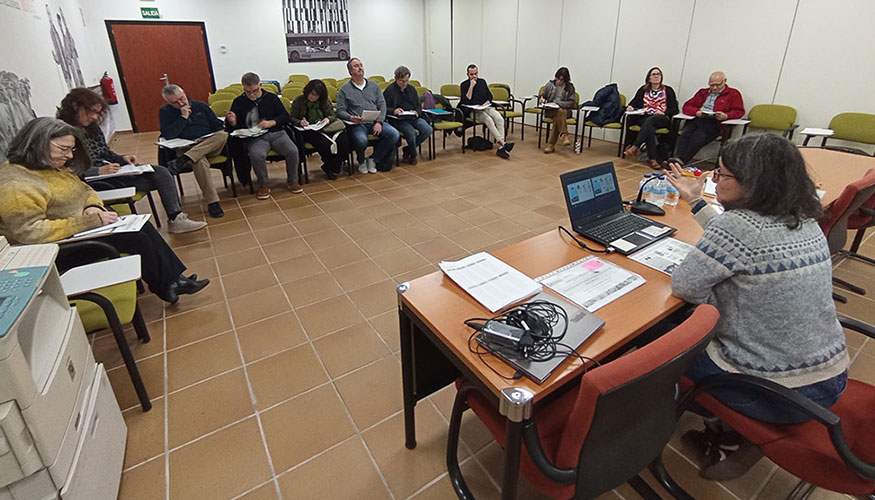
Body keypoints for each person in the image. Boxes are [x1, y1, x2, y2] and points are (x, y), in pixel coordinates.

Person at [664, 134, 848, 480]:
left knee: (662, 341)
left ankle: (724, 431)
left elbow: (685, 286)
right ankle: (735, 428)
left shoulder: (738, 227)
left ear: (752, 182)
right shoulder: (805, 217)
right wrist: (696, 201)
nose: (714, 180)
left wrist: (715, 304)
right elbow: (742, 241)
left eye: (721, 174)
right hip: (829, 378)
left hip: (774, 394)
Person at [0, 117, 209, 304]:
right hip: (57, 248)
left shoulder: (50, 167)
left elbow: (84, 189)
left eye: (71, 150)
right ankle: (168, 284)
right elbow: (30, 233)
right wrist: (89, 222)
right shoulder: (16, 184)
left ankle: (174, 280)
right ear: (37, 143)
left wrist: (92, 206)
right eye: (63, 149)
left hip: (79, 230)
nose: (69, 155)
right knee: (136, 238)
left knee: (140, 225)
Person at [56, 89, 206, 234]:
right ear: (76, 107)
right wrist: (98, 171)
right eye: (92, 112)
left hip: (111, 172)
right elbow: (68, 171)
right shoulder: (62, 135)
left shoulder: (91, 128)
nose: (95, 117)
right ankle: (174, 218)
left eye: (97, 113)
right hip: (94, 181)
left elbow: (105, 152)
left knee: (161, 172)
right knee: (159, 178)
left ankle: (176, 218)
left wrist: (122, 158)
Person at [225, 72, 301, 200]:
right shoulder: (239, 101)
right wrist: (232, 121)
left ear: (260, 85)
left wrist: (272, 122)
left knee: (292, 150)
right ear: (243, 88)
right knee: (256, 155)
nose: (252, 94)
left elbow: (285, 116)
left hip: (277, 133)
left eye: (255, 90)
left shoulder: (271, 98)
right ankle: (264, 185)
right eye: (248, 92)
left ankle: (293, 180)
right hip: (255, 137)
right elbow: (232, 128)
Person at [159, 84, 230, 218]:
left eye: (182, 98)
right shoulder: (165, 112)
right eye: (175, 102)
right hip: (186, 146)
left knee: (222, 135)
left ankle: (185, 159)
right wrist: (183, 118)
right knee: (199, 161)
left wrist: (229, 121)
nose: (181, 103)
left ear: (185, 93)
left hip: (208, 144)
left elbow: (217, 126)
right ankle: (213, 203)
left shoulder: (201, 106)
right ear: (168, 102)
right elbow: (168, 135)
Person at [335, 58, 400, 173]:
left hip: (375, 121)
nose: (360, 68)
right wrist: (351, 118)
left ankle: (373, 159)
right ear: (350, 71)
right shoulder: (344, 89)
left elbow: (382, 106)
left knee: (394, 134)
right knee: (361, 140)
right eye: (356, 66)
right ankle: (361, 161)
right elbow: (340, 111)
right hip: (358, 124)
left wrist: (379, 122)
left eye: (361, 65)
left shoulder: (373, 86)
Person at [674, 71, 744, 163]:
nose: (714, 88)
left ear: (725, 81)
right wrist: (697, 112)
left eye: (717, 85)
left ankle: (681, 160)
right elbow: (687, 106)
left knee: (698, 137)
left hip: (715, 123)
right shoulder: (702, 92)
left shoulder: (733, 93)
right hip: (699, 118)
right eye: (711, 85)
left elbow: (739, 111)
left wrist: (726, 116)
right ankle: (677, 158)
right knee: (685, 133)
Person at [289, 79, 350, 180]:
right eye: (312, 94)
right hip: (309, 130)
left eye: (317, 95)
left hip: (326, 127)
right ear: (307, 91)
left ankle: (332, 166)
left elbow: (332, 115)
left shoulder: (324, 100)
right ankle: (330, 167)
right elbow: (292, 118)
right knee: (326, 144)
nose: (313, 97)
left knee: (344, 141)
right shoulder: (299, 100)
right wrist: (300, 122)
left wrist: (328, 119)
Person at [624, 67, 679, 168]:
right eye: (654, 74)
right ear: (649, 78)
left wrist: (664, 112)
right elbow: (634, 102)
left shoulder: (668, 90)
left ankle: (635, 146)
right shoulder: (643, 90)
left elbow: (674, 109)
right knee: (649, 127)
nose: (657, 76)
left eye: (659, 74)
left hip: (661, 118)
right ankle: (653, 159)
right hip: (645, 117)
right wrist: (631, 107)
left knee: (650, 121)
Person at [459, 64, 514, 159]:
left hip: (485, 107)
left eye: (476, 74)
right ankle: (503, 144)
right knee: (488, 120)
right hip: (473, 111)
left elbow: (489, 95)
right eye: (472, 74)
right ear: (467, 74)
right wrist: (471, 87)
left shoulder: (482, 82)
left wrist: (487, 101)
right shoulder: (464, 85)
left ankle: (501, 148)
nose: (474, 76)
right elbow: (466, 101)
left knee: (499, 118)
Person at [383, 65, 432, 165]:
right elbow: (384, 108)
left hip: (412, 117)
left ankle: (408, 149)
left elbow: (418, 105)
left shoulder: (411, 89)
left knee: (428, 129)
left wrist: (417, 112)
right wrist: (394, 111)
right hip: (399, 119)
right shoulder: (390, 90)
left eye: (406, 80)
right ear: (396, 78)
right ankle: (413, 155)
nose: (404, 84)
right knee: (411, 133)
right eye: (402, 81)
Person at [538, 67, 576, 154]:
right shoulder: (550, 85)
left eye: (561, 80)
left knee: (558, 115)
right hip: (550, 110)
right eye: (558, 78)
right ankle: (564, 135)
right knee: (560, 113)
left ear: (566, 79)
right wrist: (542, 99)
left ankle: (551, 145)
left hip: (564, 111)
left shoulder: (570, 87)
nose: (559, 81)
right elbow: (543, 96)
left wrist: (558, 103)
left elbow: (571, 103)